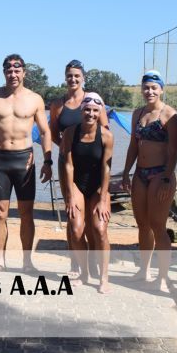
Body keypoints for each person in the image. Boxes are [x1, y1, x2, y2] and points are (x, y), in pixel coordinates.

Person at [0, 54, 52, 272]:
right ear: (4, 73)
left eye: (17, 70)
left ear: (24, 73)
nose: (13, 74)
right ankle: (0, 258)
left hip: (24, 160)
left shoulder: (35, 99)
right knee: (0, 212)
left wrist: (47, 161)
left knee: (26, 213)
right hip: (0, 160)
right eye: (9, 70)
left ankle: (27, 262)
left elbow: (46, 131)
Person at [121, 70, 177, 291]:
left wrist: (167, 177)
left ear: (162, 89)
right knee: (142, 225)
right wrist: (126, 171)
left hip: (160, 174)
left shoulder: (169, 116)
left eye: (154, 87)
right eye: (146, 87)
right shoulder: (138, 114)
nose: (150, 91)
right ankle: (143, 270)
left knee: (158, 226)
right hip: (140, 174)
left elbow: (174, 150)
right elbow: (133, 146)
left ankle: (163, 276)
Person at [48, 59, 109, 277]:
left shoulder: (93, 101)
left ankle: (92, 263)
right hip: (69, 166)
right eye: (69, 76)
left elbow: (105, 133)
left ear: (83, 78)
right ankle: (76, 263)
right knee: (72, 216)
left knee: (93, 223)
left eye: (76, 76)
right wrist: (68, 147)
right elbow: (53, 133)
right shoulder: (58, 104)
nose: (73, 79)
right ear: (65, 78)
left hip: (93, 167)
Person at [60, 92, 114, 293]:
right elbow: (68, 165)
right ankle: (84, 272)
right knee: (75, 229)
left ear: (100, 113)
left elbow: (106, 169)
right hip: (77, 184)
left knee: (100, 229)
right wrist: (70, 194)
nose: (90, 114)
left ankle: (104, 277)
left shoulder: (106, 135)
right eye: (87, 110)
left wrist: (102, 199)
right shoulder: (70, 133)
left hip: (99, 185)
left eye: (95, 110)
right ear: (81, 111)